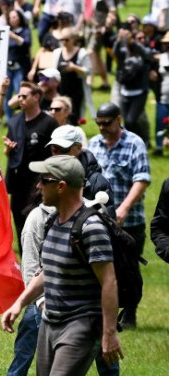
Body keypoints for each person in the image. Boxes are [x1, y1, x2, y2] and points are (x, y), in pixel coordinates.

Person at [1, 155, 123, 376]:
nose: (38, 186)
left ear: (61, 186)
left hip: (80, 325)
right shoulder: (52, 222)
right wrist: (19, 303)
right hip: (50, 322)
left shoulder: (91, 228)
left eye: (44, 180)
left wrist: (109, 332)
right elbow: (48, 271)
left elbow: (109, 281)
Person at [87, 102, 151, 329]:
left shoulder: (134, 143)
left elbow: (142, 179)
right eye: (99, 123)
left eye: (106, 123)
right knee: (103, 267)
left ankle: (130, 313)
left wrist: (123, 208)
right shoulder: (93, 144)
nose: (102, 127)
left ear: (118, 120)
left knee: (128, 267)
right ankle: (105, 314)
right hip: (101, 220)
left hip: (129, 221)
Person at [4, 81, 58, 237]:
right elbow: (10, 150)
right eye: (19, 96)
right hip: (17, 182)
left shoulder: (49, 123)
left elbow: (55, 153)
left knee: (38, 225)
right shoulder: (14, 122)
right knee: (20, 223)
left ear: (36, 97)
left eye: (24, 96)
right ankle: (25, 260)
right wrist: (8, 150)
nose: (20, 99)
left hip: (39, 182)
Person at [54, 28, 90, 125]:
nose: (64, 42)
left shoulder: (81, 53)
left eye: (67, 40)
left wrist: (74, 68)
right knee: (59, 118)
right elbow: (53, 71)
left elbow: (88, 71)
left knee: (73, 119)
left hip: (76, 93)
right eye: (62, 40)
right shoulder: (57, 52)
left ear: (73, 39)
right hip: (60, 91)